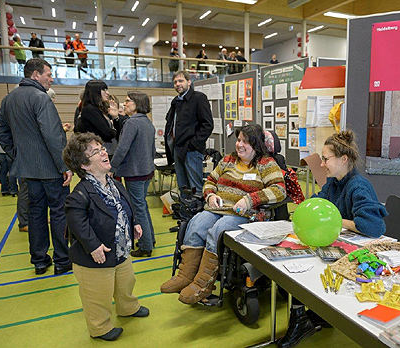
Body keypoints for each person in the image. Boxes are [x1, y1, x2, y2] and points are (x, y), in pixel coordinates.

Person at [278, 130, 388, 348]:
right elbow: (315, 203)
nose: (323, 164)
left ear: (343, 159)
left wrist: (336, 221)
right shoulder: (333, 184)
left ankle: (303, 319)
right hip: (334, 245)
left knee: (303, 269)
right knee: (290, 268)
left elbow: (373, 227)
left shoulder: (358, 185)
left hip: (357, 253)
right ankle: (307, 315)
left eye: (326, 159)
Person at [161, 124, 287, 304]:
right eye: (238, 140)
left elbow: (279, 190)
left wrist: (250, 200)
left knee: (218, 229)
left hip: (245, 214)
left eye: (245, 142)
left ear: (256, 144)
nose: (239, 145)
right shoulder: (228, 160)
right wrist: (210, 195)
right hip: (218, 208)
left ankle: (202, 285)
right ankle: (185, 275)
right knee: (196, 223)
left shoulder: (266, 164)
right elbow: (211, 180)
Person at [63, 132, 149, 341]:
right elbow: (77, 224)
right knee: (98, 296)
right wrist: (93, 246)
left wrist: (134, 223)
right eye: (96, 151)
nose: (104, 153)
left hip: (119, 250)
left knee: (126, 282)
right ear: (84, 165)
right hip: (95, 257)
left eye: (102, 148)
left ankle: (127, 307)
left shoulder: (113, 184)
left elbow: (126, 206)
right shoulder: (80, 194)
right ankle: (99, 327)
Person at [0, 58, 73, 275]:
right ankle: (62, 260)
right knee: (58, 213)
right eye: (48, 74)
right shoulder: (41, 98)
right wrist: (64, 166)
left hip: (27, 170)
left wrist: (16, 153)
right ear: (35, 75)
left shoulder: (9, 99)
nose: (51, 78)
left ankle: (39, 260)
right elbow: (53, 137)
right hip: (51, 170)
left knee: (36, 213)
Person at [111, 92, 156, 257]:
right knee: (142, 205)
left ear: (137, 104)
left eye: (128, 101)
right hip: (146, 171)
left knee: (138, 208)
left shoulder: (131, 123)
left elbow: (122, 148)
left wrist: (112, 166)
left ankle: (145, 245)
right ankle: (150, 238)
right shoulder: (147, 123)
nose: (124, 103)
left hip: (134, 172)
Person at [164, 71, 213, 198]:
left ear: (189, 82)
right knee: (183, 186)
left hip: (191, 151)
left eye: (181, 81)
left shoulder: (198, 98)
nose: (177, 84)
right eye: (175, 82)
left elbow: (207, 125)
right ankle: (186, 214)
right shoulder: (176, 101)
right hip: (177, 149)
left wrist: (193, 144)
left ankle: (198, 215)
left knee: (195, 188)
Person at [74, 80, 118, 157]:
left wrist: (115, 117)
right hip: (97, 152)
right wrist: (113, 131)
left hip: (107, 150)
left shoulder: (100, 109)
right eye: (104, 90)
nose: (107, 93)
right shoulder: (90, 109)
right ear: (95, 92)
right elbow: (107, 133)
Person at [0, 116, 18, 196]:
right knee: (12, 168)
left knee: (3, 168)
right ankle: (13, 190)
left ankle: (4, 189)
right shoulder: (11, 118)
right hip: (9, 146)